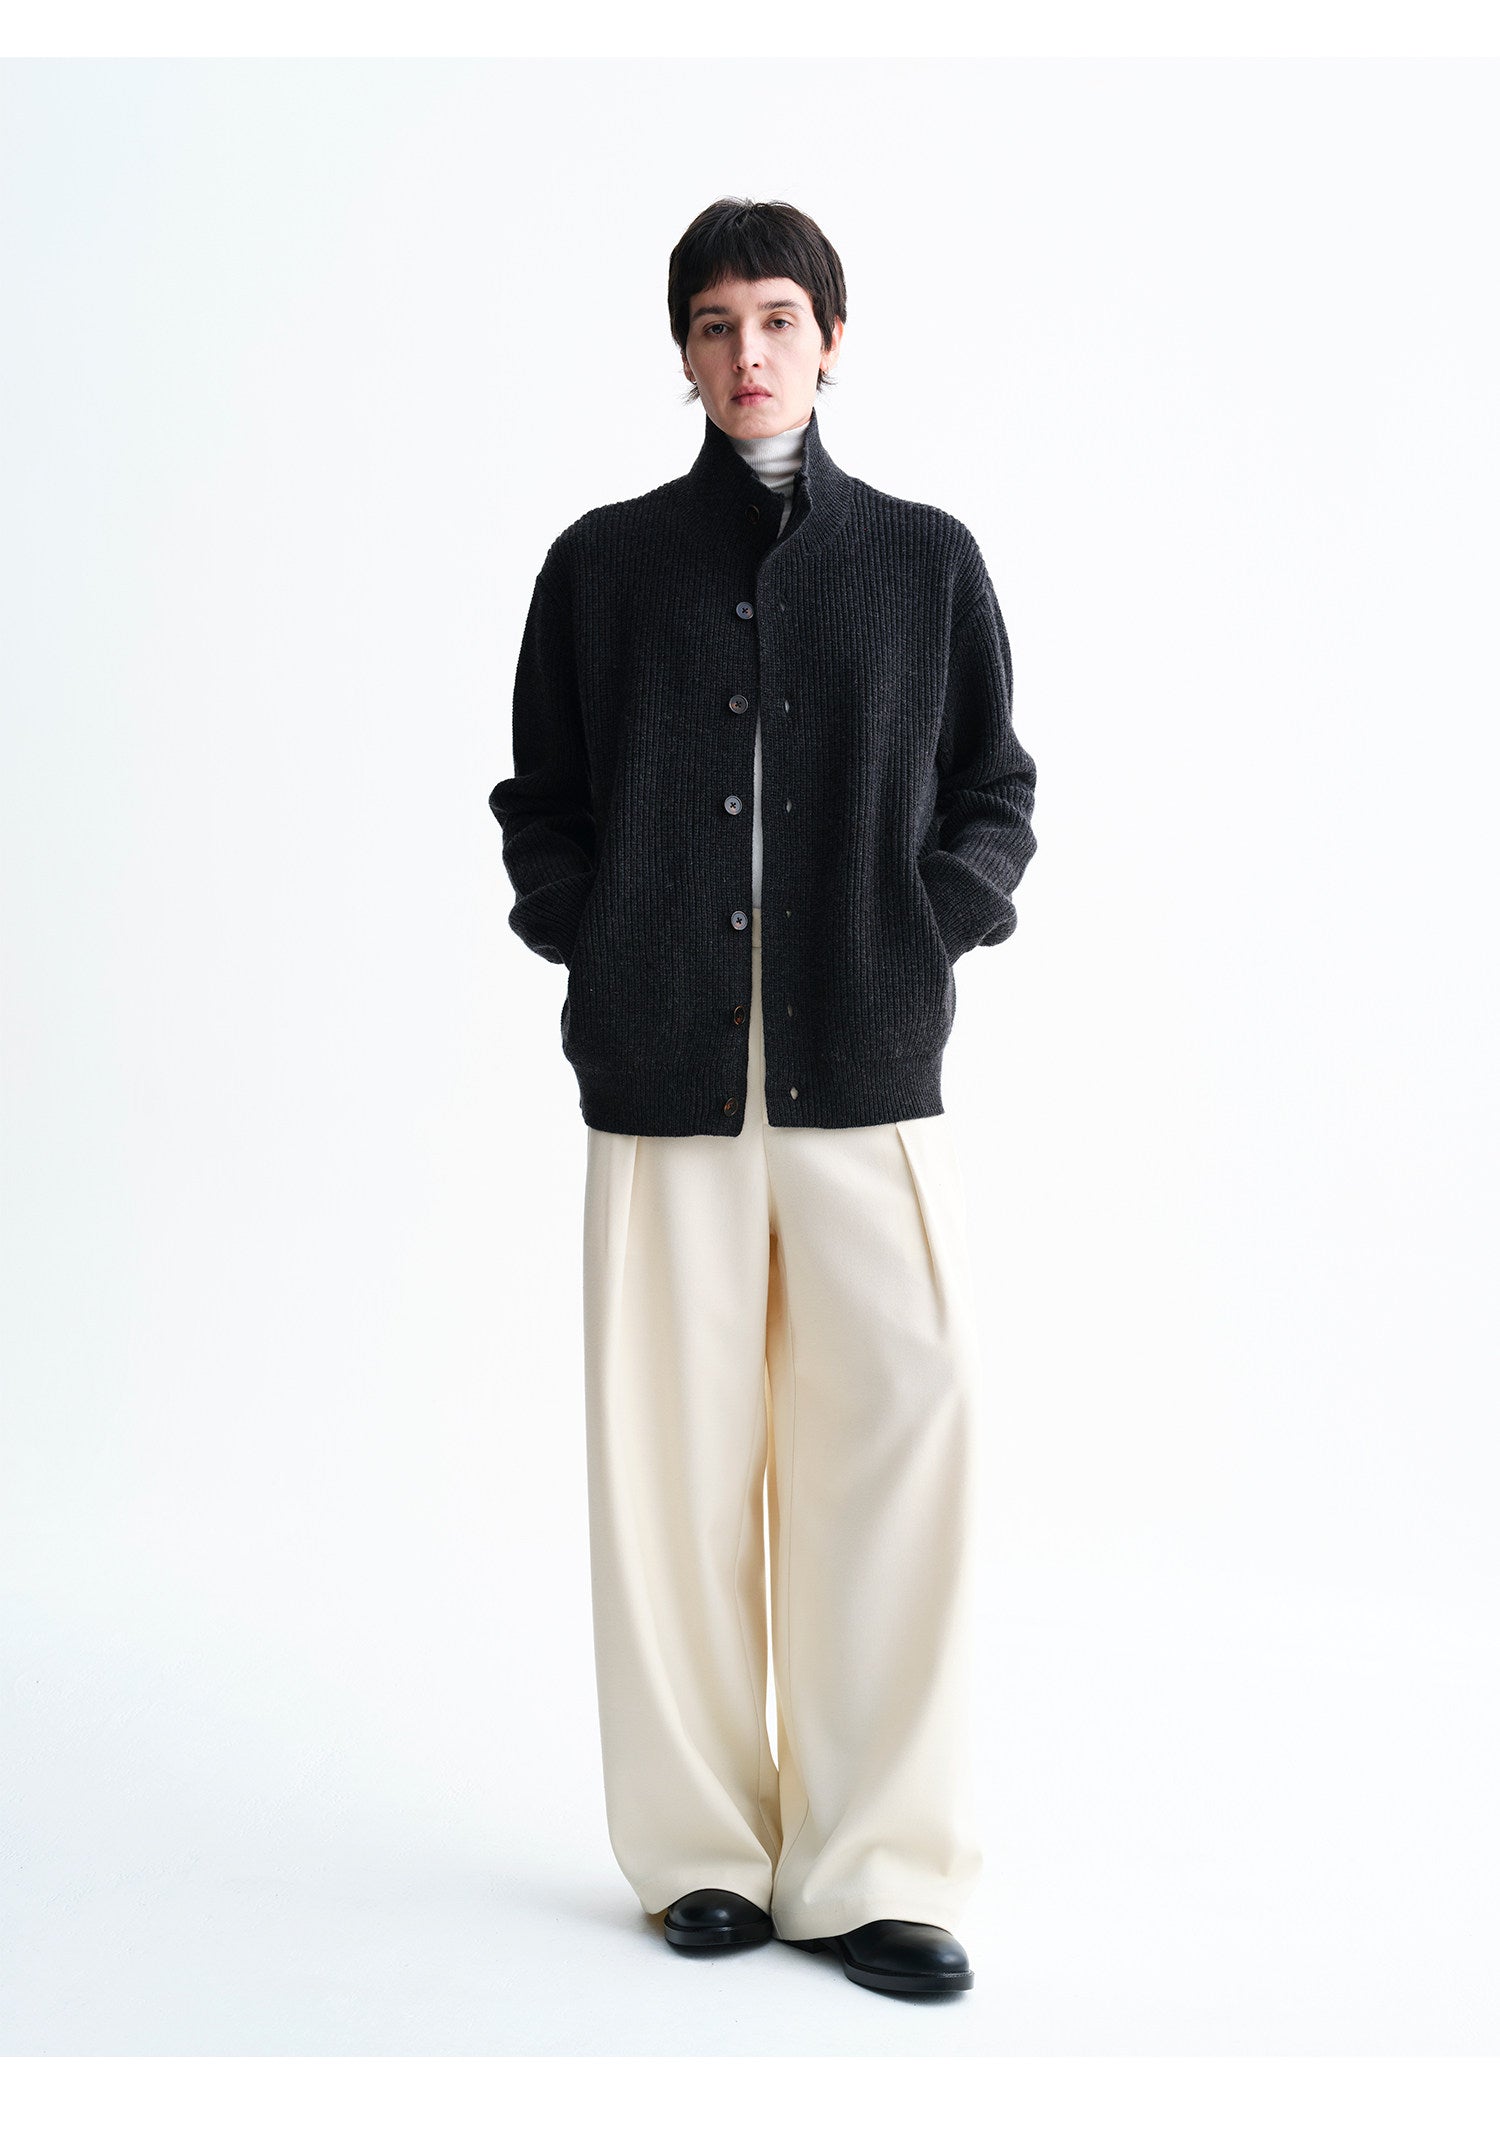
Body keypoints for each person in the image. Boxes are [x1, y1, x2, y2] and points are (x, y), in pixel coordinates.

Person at [488, 197, 1038, 1996]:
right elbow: (541, 802)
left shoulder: (926, 561)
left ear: (833, 339)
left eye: (780, 317)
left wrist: (927, 925)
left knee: (902, 1448)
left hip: (864, 1069)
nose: (749, 352)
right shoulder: (603, 564)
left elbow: (996, 791)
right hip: (662, 1081)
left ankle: (877, 1864)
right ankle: (706, 1852)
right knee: (671, 1471)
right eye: (717, 322)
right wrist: (598, 937)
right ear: (684, 350)